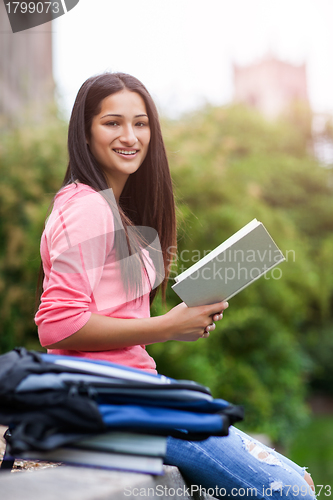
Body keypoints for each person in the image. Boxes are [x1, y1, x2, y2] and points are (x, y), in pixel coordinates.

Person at [35, 72, 315, 499]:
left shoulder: (109, 208)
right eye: (112, 122)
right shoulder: (88, 207)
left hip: (135, 393)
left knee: (302, 478)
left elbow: (107, 318)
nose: (130, 136)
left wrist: (183, 321)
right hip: (113, 403)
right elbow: (57, 324)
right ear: (85, 131)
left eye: (141, 123)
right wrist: (168, 326)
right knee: (292, 492)